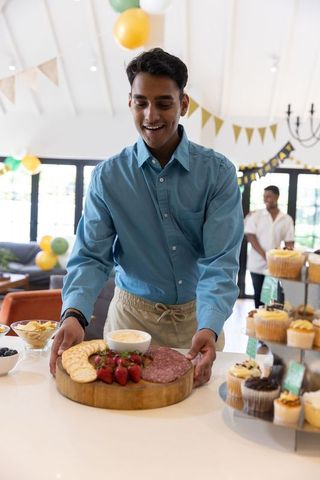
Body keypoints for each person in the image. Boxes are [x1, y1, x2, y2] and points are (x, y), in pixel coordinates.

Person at [50, 48, 244, 387]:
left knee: (194, 426)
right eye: (141, 102)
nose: (150, 114)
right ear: (130, 103)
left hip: (199, 323)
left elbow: (220, 262)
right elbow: (92, 257)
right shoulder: (108, 177)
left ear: (183, 104)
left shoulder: (218, 173)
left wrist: (209, 326)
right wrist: (75, 313)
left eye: (164, 103)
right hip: (129, 321)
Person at [245, 185, 294, 308]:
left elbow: (289, 242)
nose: (266, 199)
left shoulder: (286, 219)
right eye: (264, 196)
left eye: (269, 196)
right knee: (258, 297)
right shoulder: (256, 215)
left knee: (269, 298)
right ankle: (257, 325)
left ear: (276, 197)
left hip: (273, 267)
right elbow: (250, 235)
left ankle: (267, 323)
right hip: (256, 264)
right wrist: (265, 255)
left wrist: (287, 256)